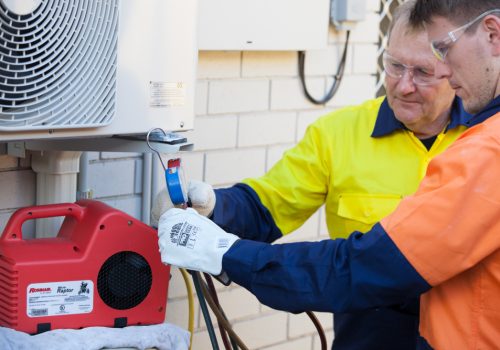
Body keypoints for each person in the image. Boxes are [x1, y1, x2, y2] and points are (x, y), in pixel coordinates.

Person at [157, 1, 500, 349]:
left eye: (424, 72)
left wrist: (227, 255)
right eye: (394, 66)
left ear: (452, 72)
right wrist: (215, 207)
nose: (403, 85)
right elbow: (268, 205)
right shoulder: (338, 134)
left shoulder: (483, 148)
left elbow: (366, 264)